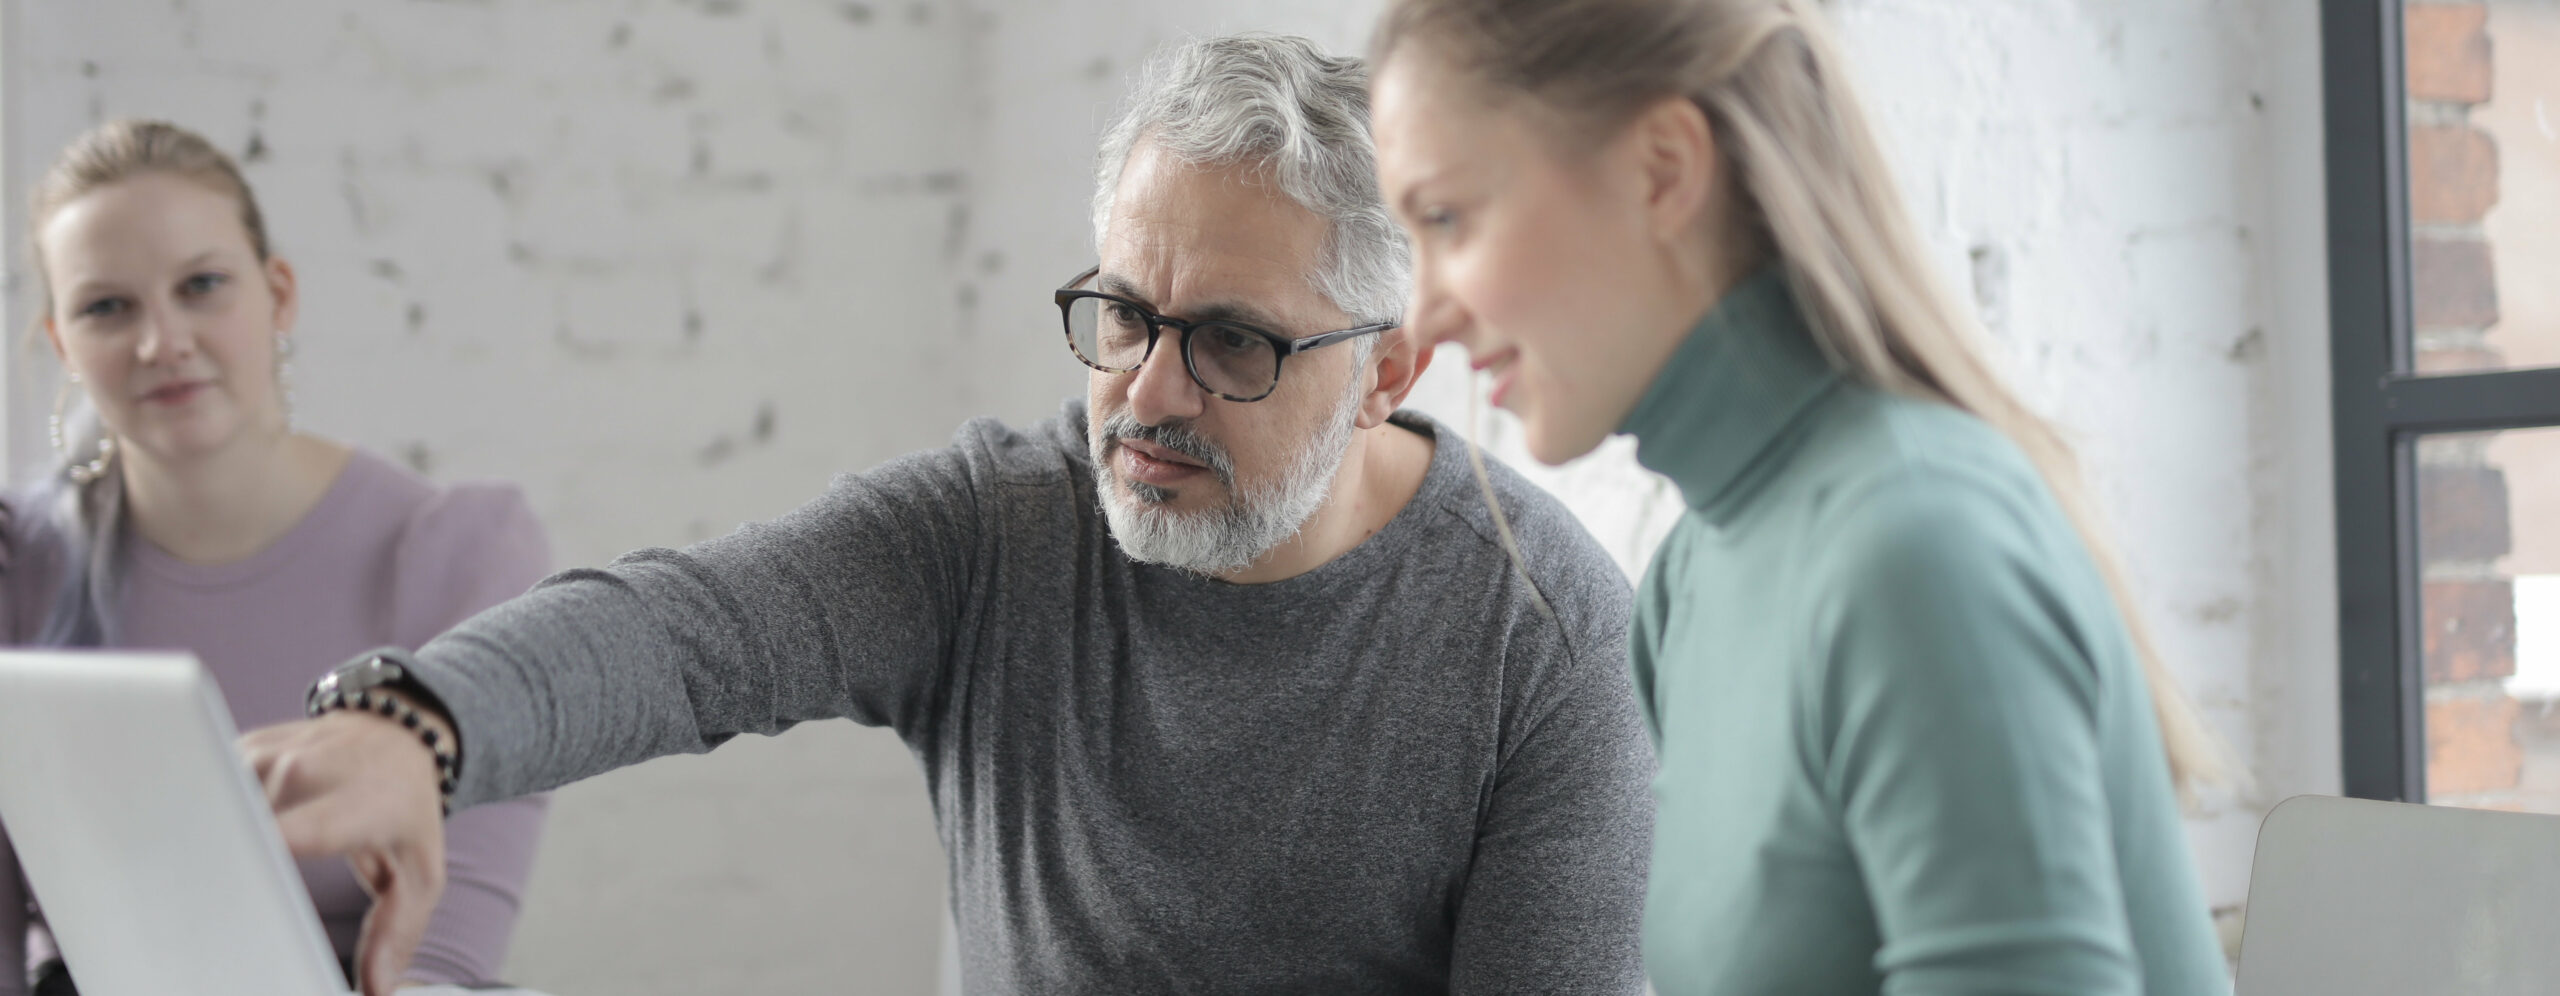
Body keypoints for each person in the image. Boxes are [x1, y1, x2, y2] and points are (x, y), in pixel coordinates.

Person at [245, 34, 1653, 996]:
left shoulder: (1547, 631)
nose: (1146, 393)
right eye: (1121, 317)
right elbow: (691, 630)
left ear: (1385, 373)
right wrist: (417, 726)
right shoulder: (1002, 527)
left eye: (1232, 342)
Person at [1366, 1, 2232, 993]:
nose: (1423, 312)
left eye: (1447, 218)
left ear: (1662, 170)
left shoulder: (1918, 549)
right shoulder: (1691, 578)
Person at [0, 120, 552, 996]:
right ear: (62, 343)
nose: (161, 342)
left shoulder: (455, 552)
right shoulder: (14, 561)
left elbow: (444, 958)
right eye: (108, 307)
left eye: (202, 286)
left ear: (278, 292)